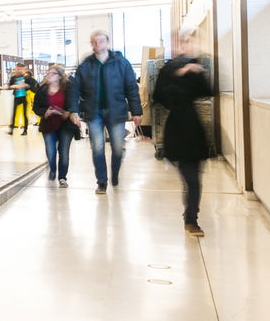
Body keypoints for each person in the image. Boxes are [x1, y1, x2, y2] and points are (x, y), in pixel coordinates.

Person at [153, 32, 213, 235]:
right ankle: (190, 217)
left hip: (193, 127)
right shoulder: (168, 69)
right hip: (177, 127)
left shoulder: (195, 66)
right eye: (183, 42)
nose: (186, 46)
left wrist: (193, 69)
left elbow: (207, 90)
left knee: (194, 179)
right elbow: (159, 95)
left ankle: (191, 218)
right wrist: (183, 70)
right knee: (189, 179)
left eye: (190, 42)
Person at [69, 30, 143, 195]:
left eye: (101, 41)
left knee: (117, 147)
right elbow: (74, 89)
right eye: (94, 42)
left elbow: (131, 87)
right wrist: (73, 110)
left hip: (115, 111)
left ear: (107, 42)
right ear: (92, 44)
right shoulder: (85, 65)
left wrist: (136, 111)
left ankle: (115, 173)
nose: (98, 44)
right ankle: (101, 182)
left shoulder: (121, 63)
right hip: (93, 112)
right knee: (97, 147)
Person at [32, 64, 75, 186]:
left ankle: (62, 177)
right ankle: (52, 168)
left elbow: (75, 102)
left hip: (66, 125)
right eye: (48, 73)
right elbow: (36, 107)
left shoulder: (68, 87)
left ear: (60, 76)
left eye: (53, 73)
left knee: (64, 152)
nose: (49, 75)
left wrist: (69, 112)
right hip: (49, 124)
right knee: (51, 151)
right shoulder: (42, 89)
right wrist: (45, 112)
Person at [6, 63, 36, 135]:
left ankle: (25, 130)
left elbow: (33, 85)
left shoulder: (27, 77)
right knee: (14, 113)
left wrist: (25, 85)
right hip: (17, 96)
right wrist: (16, 86)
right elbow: (10, 86)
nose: (18, 70)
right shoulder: (13, 78)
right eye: (17, 69)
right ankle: (11, 129)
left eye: (20, 69)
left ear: (23, 69)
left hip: (25, 96)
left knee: (25, 114)